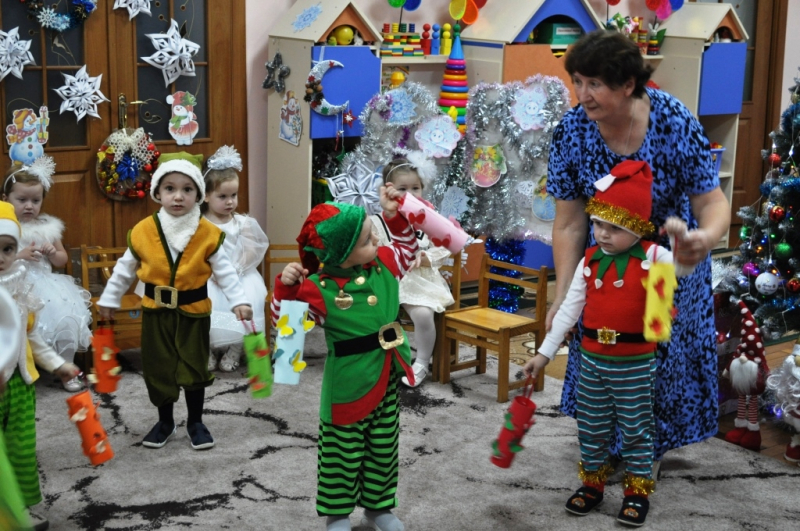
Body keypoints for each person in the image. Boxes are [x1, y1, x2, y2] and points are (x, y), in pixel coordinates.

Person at [547, 30, 731, 472]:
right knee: (602, 349)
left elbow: (712, 202)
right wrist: (562, 293)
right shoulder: (571, 131)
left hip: (668, 263)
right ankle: (608, 445)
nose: (583, 95)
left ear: (628, 84)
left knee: (655, 358)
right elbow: (569, 222)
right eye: (577, 81)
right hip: (605, 261)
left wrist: (705, 238)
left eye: (595, 84)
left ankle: (645, 454)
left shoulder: (673, 120)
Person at [524, 160, 690, 527]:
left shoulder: (653, 256)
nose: (602, 234)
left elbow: (679, 269)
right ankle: (592, 485)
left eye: (615, 227)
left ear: (637, 226)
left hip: (635, 364)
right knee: (592, 427)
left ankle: (636, 493)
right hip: (593, 362)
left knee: (636, 430)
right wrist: (544, 354)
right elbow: (569, 310)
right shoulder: (589, 260)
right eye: (598, 224)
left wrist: (679, 242)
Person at [273, 186, 418, 531]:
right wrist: (287, 289)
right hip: (347, 386)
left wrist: (394, 215)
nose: (377, 240)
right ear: (341, 253)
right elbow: (287, 333)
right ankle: (337, 515)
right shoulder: (318, 288)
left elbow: (408, 249)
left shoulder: (385, 262)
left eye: (374, 233)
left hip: (386, 375)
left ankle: (378, 508)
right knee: (342, 454)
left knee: (383, 447)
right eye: (368, 239)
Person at [96, 152, 253, 451]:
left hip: (194, 312)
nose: (178, 196)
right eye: (170, 188)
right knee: (159, 368)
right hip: (156, 312)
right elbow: (124, 268)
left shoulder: (209, 233)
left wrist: (239, 301)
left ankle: (196, 422)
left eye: (187, 189)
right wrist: (110, 297)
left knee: (194, 367)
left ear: (199, 195)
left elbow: (225, 271)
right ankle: (165, 421)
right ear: (157, 192)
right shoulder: (142, 230)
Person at [0, 200, 80, 530]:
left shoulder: (20, 291)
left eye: (8, 249)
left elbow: (32, 338)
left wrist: (59, 364)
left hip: (20, 384)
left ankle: (21, 507)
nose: (1, 257)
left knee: (20, 450)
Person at [2, 156, 92, 392]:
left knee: (65, 319)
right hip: (14, 287)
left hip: (47, 287)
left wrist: (53, 253)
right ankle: (14, 371)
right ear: (5, 198)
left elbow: (62, 260)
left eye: (36, 200)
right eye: (22, 200)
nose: (29, 206)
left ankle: (67, 369)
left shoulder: (48, 227)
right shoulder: (5, 227)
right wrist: (18, 255)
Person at [371, 157, 453, 388]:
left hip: (419, 281)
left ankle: (422, 362)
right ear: (388, 190)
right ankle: (380, 359)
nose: (410, 194)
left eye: (415, 188)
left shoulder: (429, 219)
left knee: (424, 315)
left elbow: (444, 246)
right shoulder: (377, 221)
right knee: (370, 313)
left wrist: (427, 257)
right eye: (402, 189)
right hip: (386, 279)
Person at [201, 145, 269, 372]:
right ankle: (208, 350)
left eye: (234, 195)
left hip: (239, 275)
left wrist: (236, 269)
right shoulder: (200, 224)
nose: (230, 201)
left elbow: (252, 251)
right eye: (222, 196)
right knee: (204, 309)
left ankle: (234, 350)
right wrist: (211, 272)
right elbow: (196, 252)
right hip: (209, 276)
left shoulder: (242, 223)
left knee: (247, 303)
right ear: (206, 196)